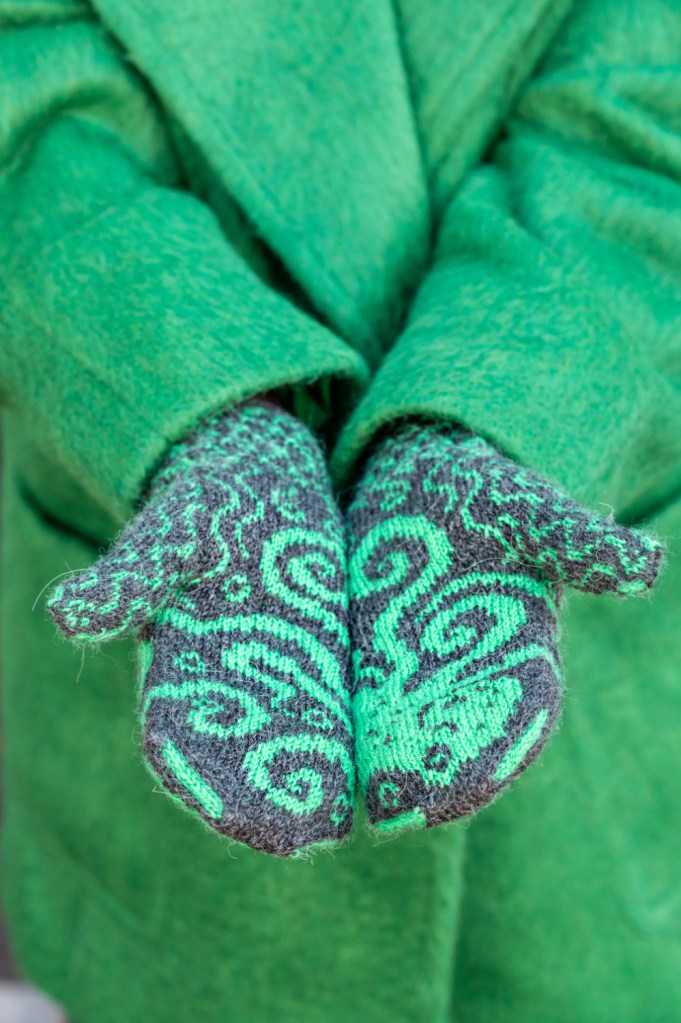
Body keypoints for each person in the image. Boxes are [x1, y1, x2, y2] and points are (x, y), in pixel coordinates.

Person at [1, 1, 680, 1020]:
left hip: (585, 786)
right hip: (120, 439)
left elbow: (653, 98)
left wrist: (506, 402)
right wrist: (198, 397)